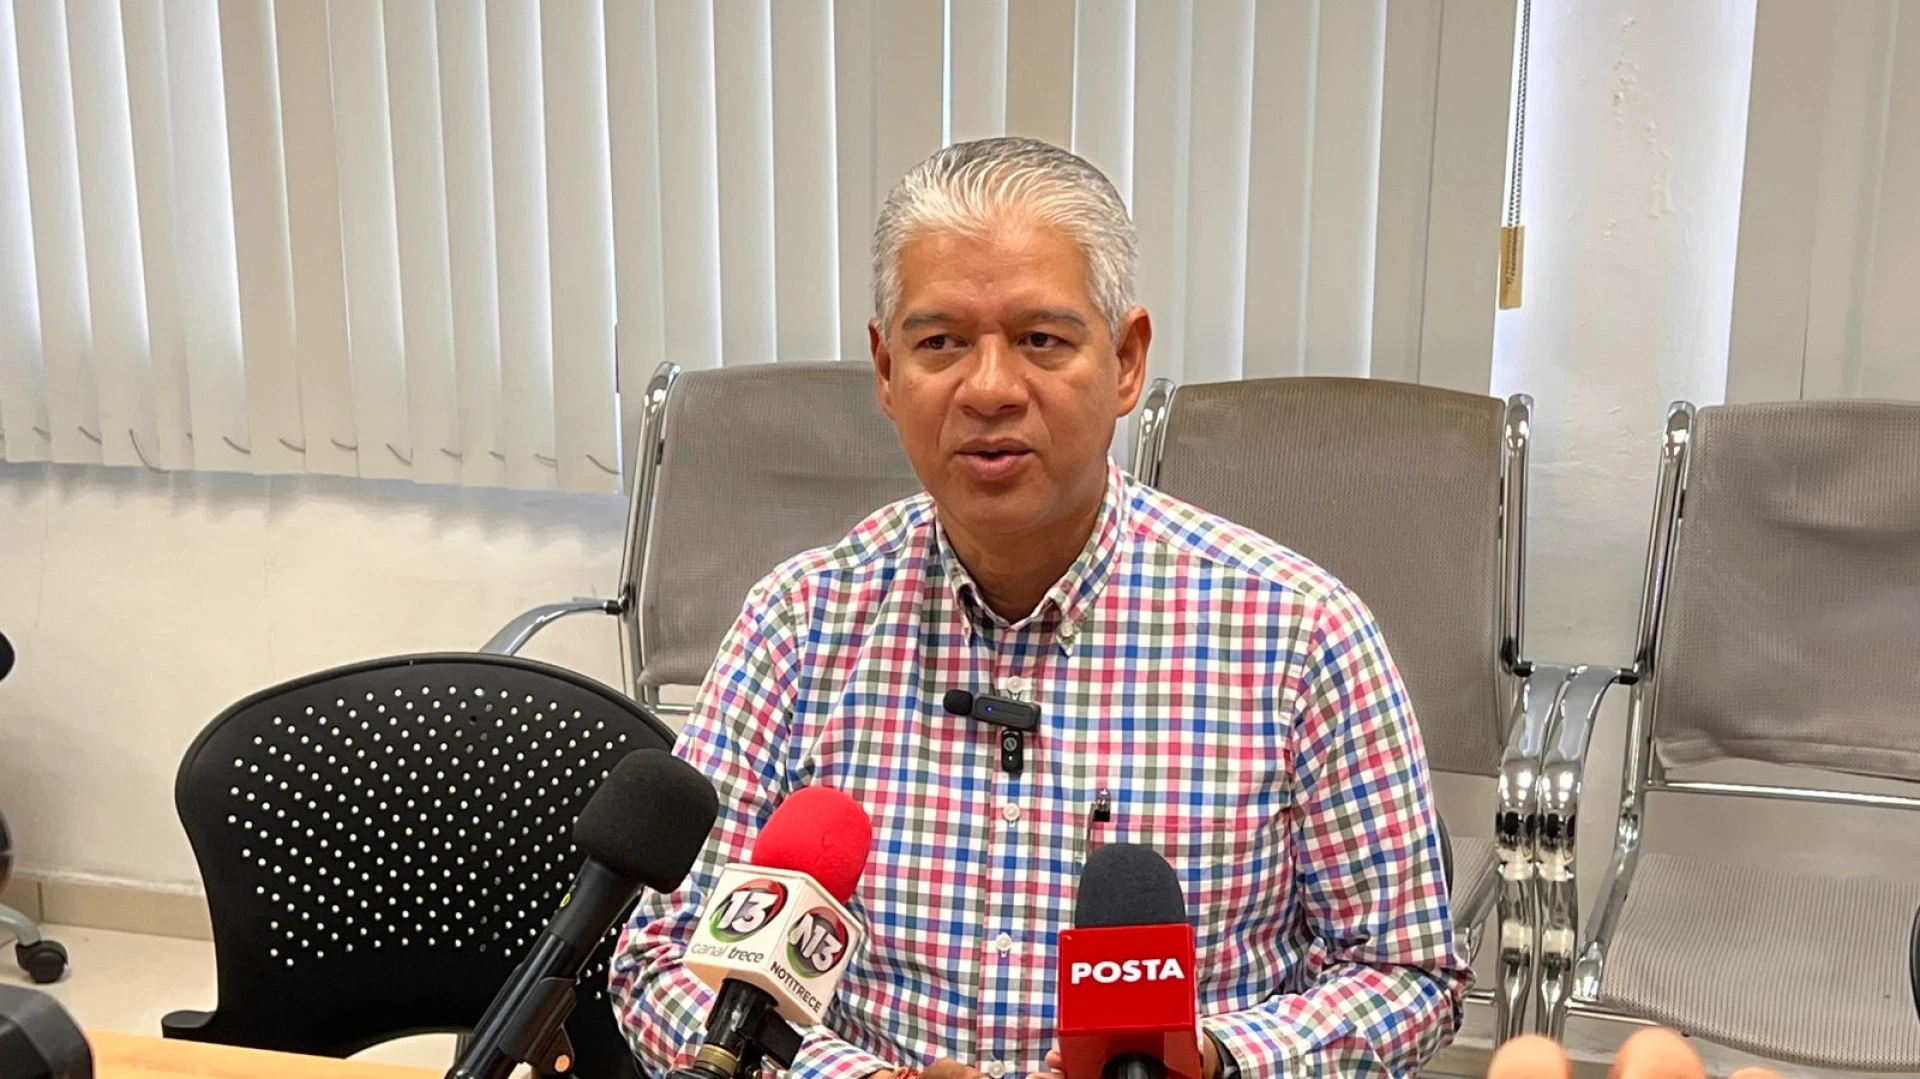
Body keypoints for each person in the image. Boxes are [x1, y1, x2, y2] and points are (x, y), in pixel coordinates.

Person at [609, 136, 1468, 1079]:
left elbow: (1406, 974)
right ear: (886, 370)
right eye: (941, 343)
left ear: (1127, 360)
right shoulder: (802, 622)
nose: (988, 389)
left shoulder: (1298, 633)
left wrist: (1217, 1057)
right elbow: (665, 959)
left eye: (1041, 340)